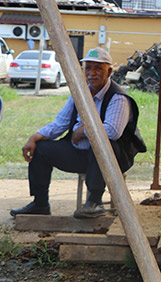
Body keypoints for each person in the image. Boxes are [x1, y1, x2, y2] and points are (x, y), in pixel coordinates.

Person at [10, 47, 145, 219]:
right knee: (41, 148)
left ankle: (94, 202)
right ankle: (40, 204)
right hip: (80, 154)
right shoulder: (80, 93)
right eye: (88, 68)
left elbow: (113, 131)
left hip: (112, 159)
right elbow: (61, 123)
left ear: (109, 71)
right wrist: (34, 137)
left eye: (98, 68)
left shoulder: (118, 97)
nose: (92, 73)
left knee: (102, 143)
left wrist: (84, 129)